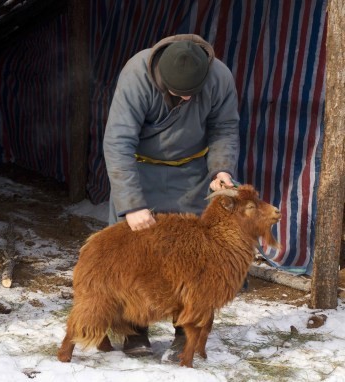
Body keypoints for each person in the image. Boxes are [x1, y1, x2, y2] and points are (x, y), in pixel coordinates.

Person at [102, 34, 240, 362]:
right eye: (180, 93)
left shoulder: (219, 77)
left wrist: (221, 169)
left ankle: (187, 332)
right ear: (162, 80)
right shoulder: (136, 75)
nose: (187, 98)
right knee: (134, 256)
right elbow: (118, 141)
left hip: (192, 174)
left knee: (194, 257)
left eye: (193, 93)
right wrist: (131, 204)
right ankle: (134, 330)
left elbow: (225, 128)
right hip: (139, 171)